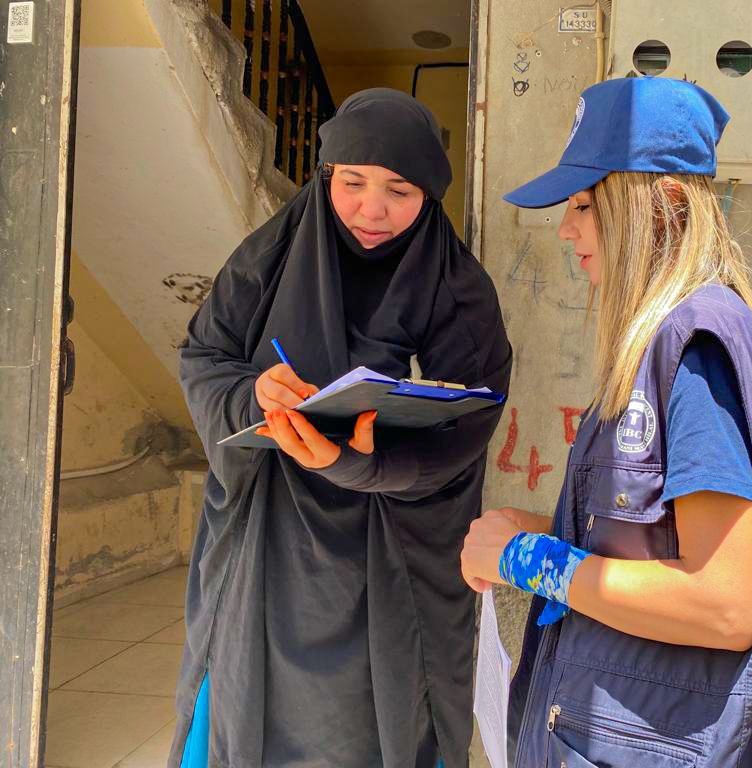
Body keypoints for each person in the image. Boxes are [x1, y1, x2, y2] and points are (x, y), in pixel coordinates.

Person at [460, 76, 752, 767]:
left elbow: (722, 604)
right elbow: (654, 548)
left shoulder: (693, 347)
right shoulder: (671, 341)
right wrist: (546, 532)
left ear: (665, 203)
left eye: (586, 205)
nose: (566, 228)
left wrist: (530, 560)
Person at [169, 88, 512, 768]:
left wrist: (360, 465)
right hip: (268, 538)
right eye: (351, 182)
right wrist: (253, 395)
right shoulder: (268, 259)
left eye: (399, 190)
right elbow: (205, 356)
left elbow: (465, 427)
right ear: (326, 175)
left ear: (429, 197)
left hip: (386, 550)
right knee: (249, 700)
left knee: (377, 721)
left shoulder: (456, 290)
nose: (371, 210)